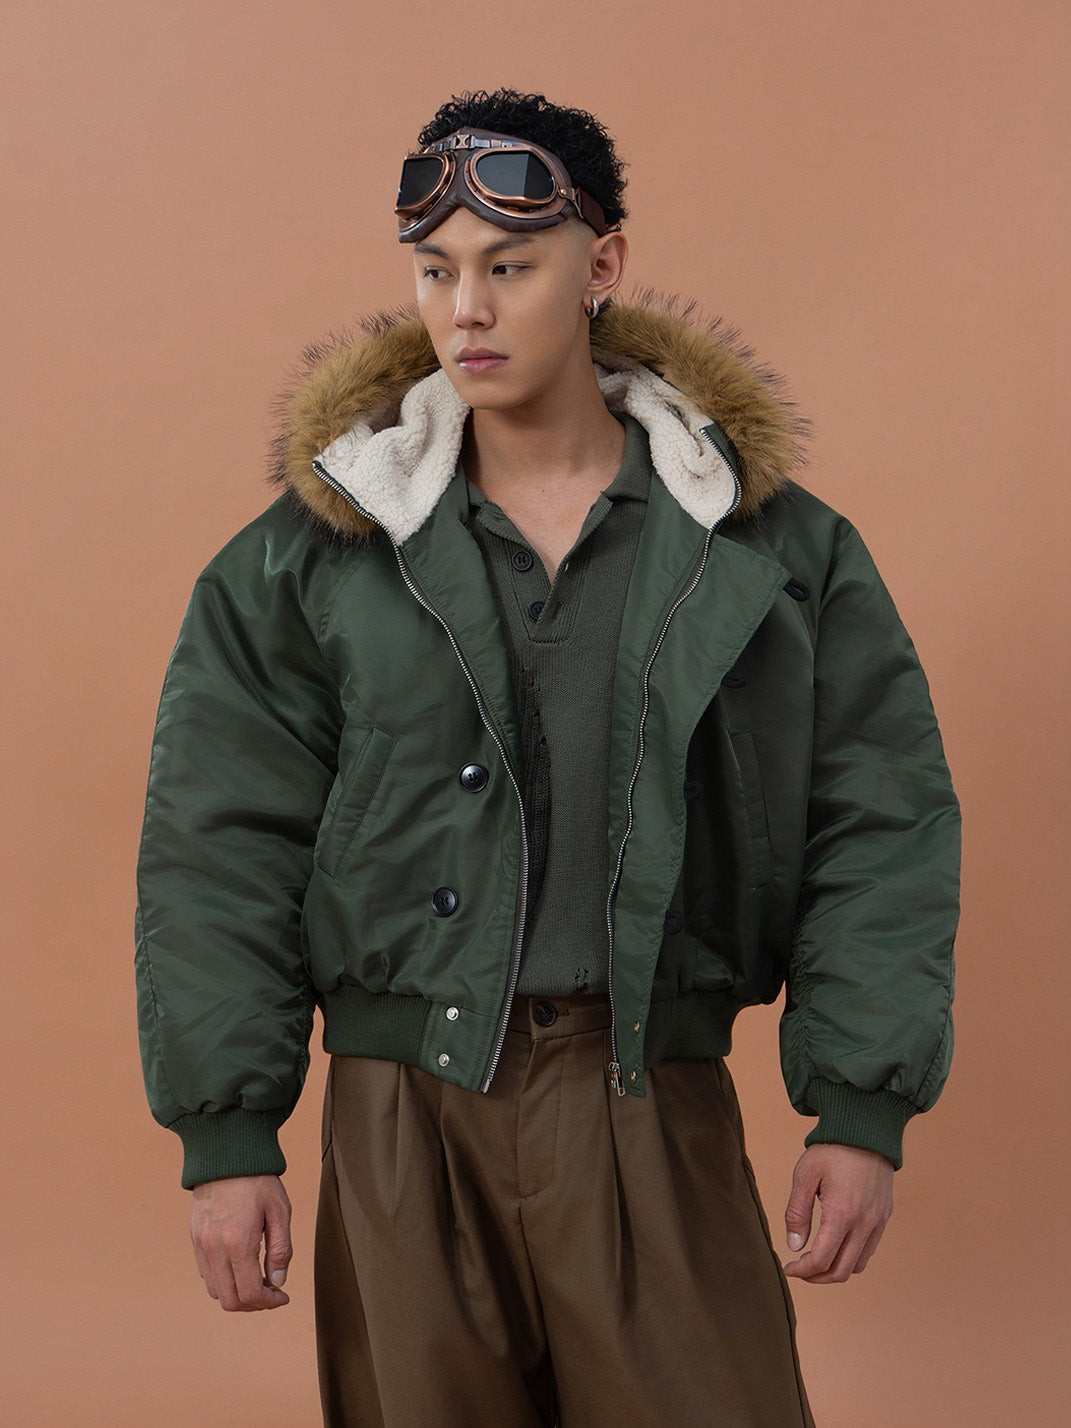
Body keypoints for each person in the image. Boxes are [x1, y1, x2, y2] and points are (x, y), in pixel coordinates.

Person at [134, 87, 961, 1427]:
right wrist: (227, 1138)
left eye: (509, 267)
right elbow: (218, 841)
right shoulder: (310, 558)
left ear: (602, 266)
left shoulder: (770, 552)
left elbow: (880, 821)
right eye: (435, 269)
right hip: (402, 1118)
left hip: (649, 1095)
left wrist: (861, 1110)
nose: (466, 309)